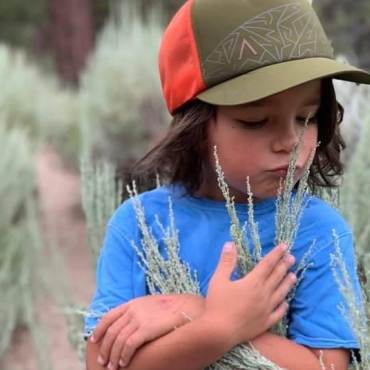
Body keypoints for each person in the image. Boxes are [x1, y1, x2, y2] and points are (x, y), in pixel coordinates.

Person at [85, 0, 370, 369]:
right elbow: (101, 361)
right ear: (195, 125)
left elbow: (327, 366)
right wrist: (219, 326)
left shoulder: (318, 232)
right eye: (256, 120)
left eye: (307, 117)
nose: (291, 141)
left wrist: (199, 313)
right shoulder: (139, 223)